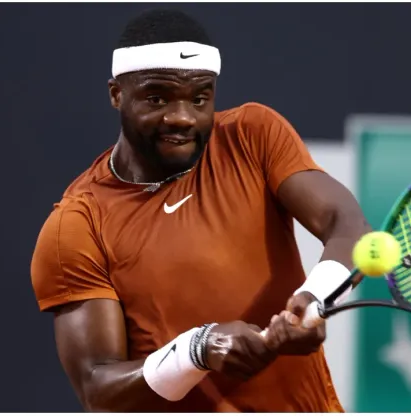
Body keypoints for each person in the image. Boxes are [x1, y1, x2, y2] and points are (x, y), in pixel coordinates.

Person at [30, 9, 371, 412]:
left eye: (199, 98)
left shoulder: (253, 134)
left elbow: (346, 225)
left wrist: (314, 298)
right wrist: (196, 350)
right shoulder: (76, 225)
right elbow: (99, 391)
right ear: (116, 94)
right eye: (157, 98)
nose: (181, 117)